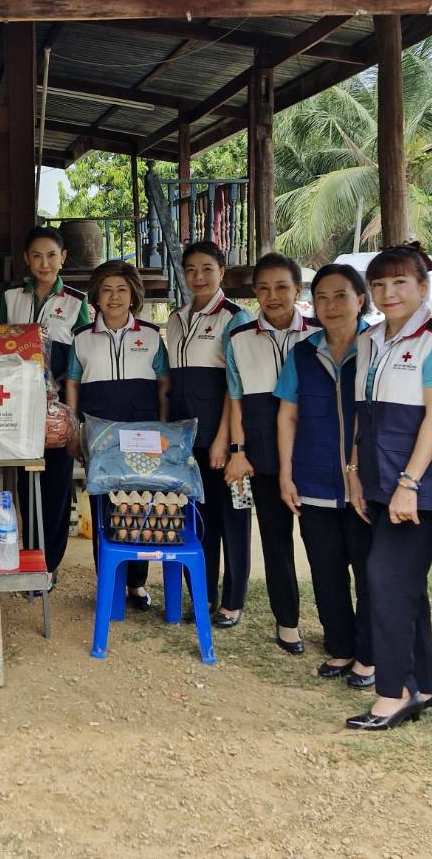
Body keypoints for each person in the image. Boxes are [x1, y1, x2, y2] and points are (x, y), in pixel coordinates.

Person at [344, 243, 432, 732]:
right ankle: (426, 683)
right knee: (403, 584)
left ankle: (394, 692)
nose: (388, 293)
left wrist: (410, 482)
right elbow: (360, 417)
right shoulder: (369, 339)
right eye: (379, 284)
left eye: (400, 283)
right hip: (374, 479)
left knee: (385, 580)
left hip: (417, 486)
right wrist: (353, 473)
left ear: (421, 286)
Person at [275, 263, 374, 690]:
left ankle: (371, 655)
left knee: (370, 570)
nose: (331, 306)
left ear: (361, 300)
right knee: (326, 567)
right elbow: (288, 415)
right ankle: (341, 646)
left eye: (341, 296)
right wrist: (286, 473)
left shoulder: (379, 346)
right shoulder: (303, 351)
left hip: (367, 483)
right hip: (313, 478)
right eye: (322, 298)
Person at [223, 252, 316, 653]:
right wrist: (237, 450)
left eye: (282, 287)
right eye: (263, 288)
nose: (273, 296)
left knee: (325, 547)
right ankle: (287, 622)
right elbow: (236, 399)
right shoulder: (240, 339)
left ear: (298, 289)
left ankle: (339, 626)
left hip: (316, 453)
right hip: (261, 452)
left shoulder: (318, 332)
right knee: (276, 542)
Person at [66, 260, 169, 610]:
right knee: (103, 508)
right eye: (107, 290)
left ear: (133, 294)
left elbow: (164, 384)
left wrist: (163, 428)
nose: (114, 297)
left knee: (140, 506)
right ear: (96, 295)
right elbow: (72, 384)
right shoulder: (81, 338)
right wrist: (73, 429)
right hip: (98, 435)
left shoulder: (152, 335)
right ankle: (108, 583)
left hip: (143, 434)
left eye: (121, 290)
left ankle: (137, 584)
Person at [164, 241, 250, 625]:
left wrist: (226, 442)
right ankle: (201, 594)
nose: (198, 277)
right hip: (185, 442)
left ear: (222, 272)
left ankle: (232, 601)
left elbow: (237, 386)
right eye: (191, 270)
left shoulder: (235, 317)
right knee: (194, 522)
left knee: (232, 519)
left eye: (207, 269)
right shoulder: (176, 318)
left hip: (222, 440)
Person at [0, 226, 91, 584]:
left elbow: (80, 360)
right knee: (25, 485)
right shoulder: (11, 299)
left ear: (63, 258)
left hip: (57, 411)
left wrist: (71, 414)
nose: (44, 262)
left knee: (55, 485)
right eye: (36, 255)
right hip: (17, 407)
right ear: (26, 258)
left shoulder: (76, 302)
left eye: (51, 255)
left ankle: (48, 566)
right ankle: (30, 556)